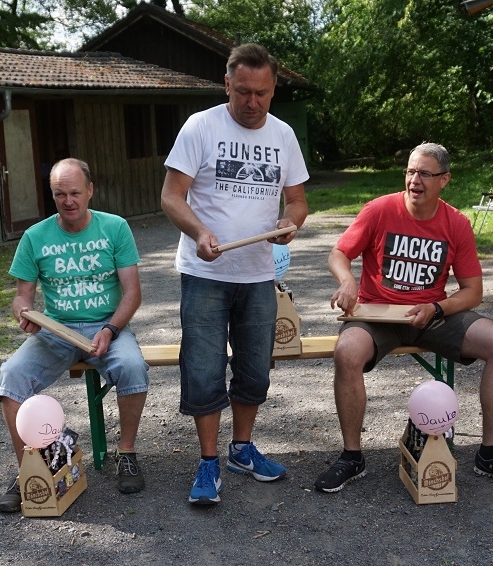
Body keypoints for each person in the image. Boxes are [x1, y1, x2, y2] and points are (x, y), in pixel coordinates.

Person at [315, 142, 493, 493]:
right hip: (378, 314)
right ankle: (351, 457)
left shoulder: (456, 223)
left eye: (424, 173)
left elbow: (473, 292)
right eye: (410, 171)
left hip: (433, 315)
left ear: (444, 180)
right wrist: (347, 281)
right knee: (347, 351)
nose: (414, 180)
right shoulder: (379, 210)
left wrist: (437, 308)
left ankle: (491, 453)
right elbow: (339, 253)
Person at [161, 43, 309, 505]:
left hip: (257, 274)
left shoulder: (283, 135)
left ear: (273, 88)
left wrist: (290, 222)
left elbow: (298, 200)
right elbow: (171, 196)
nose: (252, 102)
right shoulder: (200, 126)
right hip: (204, 273)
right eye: (243, 91)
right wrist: (199, 232)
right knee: (203, 369)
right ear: (227, 84)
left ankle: (241, 450)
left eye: (261, 93)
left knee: (253, 370)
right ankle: (208, 461)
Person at [0, 158, 149, 513]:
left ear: (90, 190)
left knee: (132, 365)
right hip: (57, 330)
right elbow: (21, 296)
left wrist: (111, 329)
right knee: (11, 374)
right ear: (52, 195)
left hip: (108, 327)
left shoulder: (115, 227)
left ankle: (126, 453)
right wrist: (24, 313)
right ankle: (30, 472)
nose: (68, 201)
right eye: (59, 194)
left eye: (75, 193)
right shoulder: (35, 236)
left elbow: (132, 293)